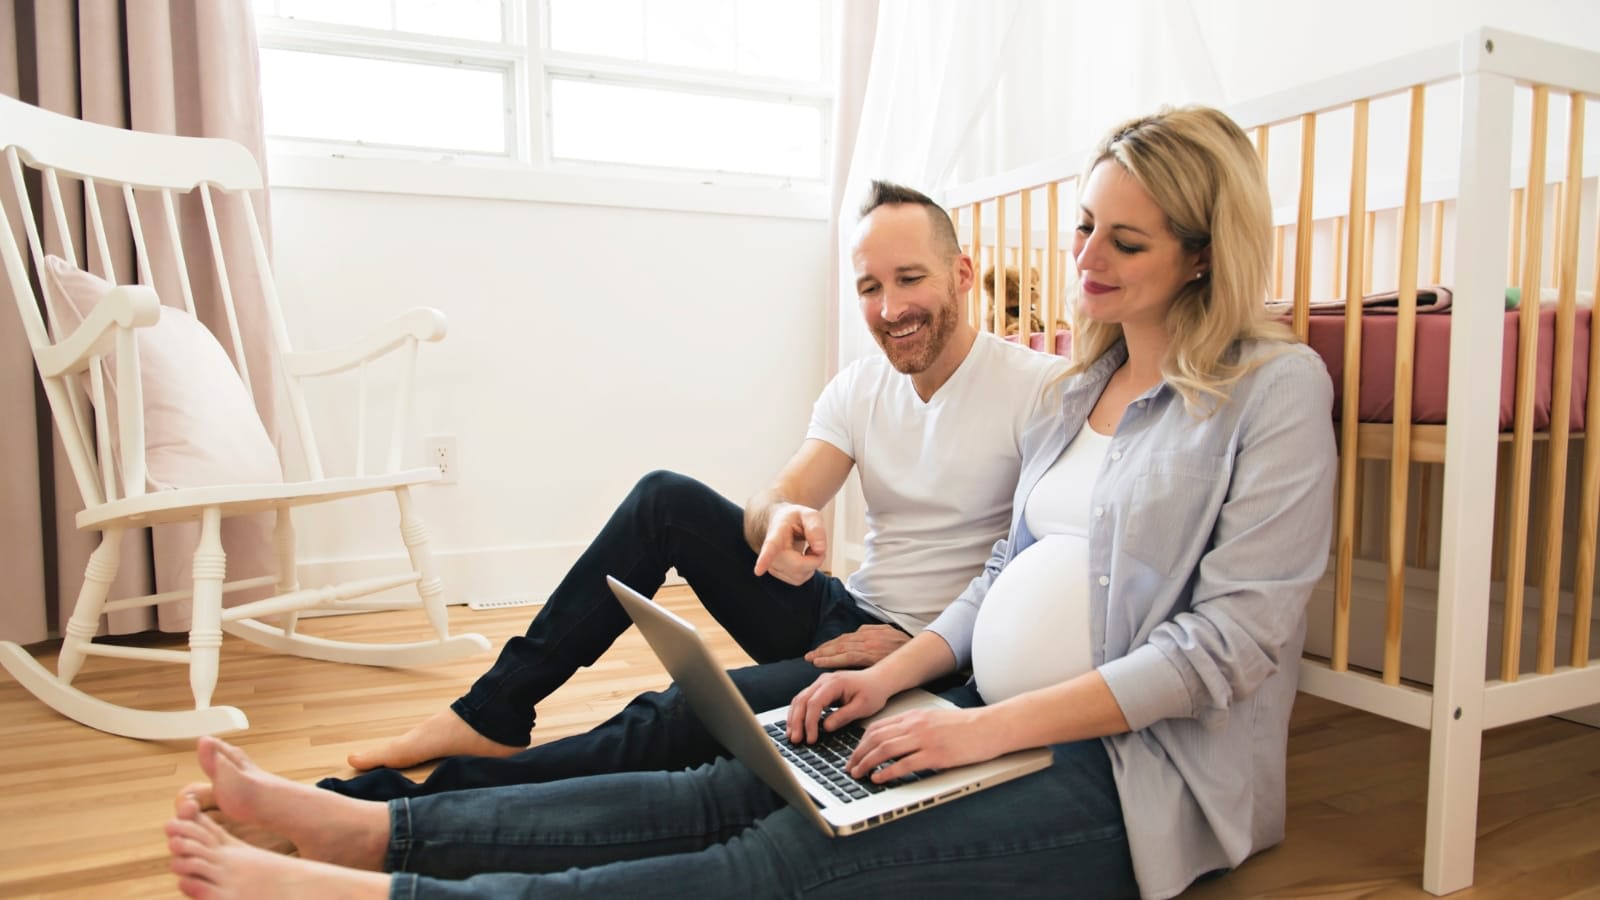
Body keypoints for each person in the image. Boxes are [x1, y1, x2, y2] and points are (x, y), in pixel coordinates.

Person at [166, 105, 1337, 899]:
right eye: (1083, 226)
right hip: (961, 686)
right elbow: (1003, 570)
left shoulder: (1266, 390)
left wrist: (963, 719)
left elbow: (1225, 646)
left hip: (1119, 766)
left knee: (774, 858)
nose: (1084, 257)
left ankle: (383, 885)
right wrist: (888, 670)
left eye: (1123, 240)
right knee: (721, 777)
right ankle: (377, 825)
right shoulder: (1078, 386)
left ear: (1201, 253)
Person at [320, 180, 1068, 800]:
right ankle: (491, 711)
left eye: (910, 279)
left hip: (939, 657)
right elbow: (776, 496)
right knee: (664, 500)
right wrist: (782, 517)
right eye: (870, 287)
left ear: (961, 275)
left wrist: (923, 648)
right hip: (846, 616)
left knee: (685, 710)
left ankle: (419, 801)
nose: (890, 308)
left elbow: (1036, 569)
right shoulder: (860, 387)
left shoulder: (1039, 392)